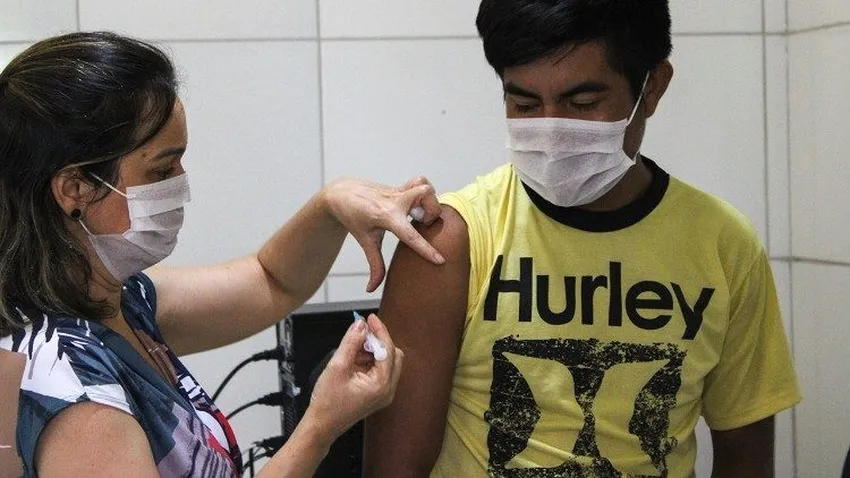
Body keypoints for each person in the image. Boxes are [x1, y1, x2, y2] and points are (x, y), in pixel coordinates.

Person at [364, 0, 801, 476]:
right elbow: (394, 469)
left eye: (583, 104)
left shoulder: (724, 245)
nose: (551, 133)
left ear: (652, 87)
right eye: (525, 105)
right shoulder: (450, 244)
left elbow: (746, 455)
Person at [0, 31, 446, 478]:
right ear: (74, 189)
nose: (181, 184)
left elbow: (271, 281)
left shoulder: (119, 301)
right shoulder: (74, 392)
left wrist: (334, 203)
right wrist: (320, 426)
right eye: (162, 169)